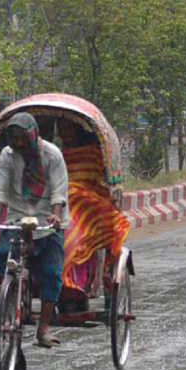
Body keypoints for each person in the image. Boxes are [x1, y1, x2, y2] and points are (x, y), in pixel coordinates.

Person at [0, 113, 69, 348]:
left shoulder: (52, 155)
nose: (19, 143)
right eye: (14, 138)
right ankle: (1, 298)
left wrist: (55, 213)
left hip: (47, 218)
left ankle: (43, 329)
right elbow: (0, 187)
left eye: (23, 137)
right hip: (17, 215)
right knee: (3, 256)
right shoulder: (8, 156)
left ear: (33, 134)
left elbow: (59, 189)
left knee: (51, 274)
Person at [56, 118, 129, 301]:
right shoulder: (56, 155)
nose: (66, 133)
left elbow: (103, 181)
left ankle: (78, 282)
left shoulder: (94, 153)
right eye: (62, 128)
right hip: (60, 203)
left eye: (69, 128)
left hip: (88, 204)